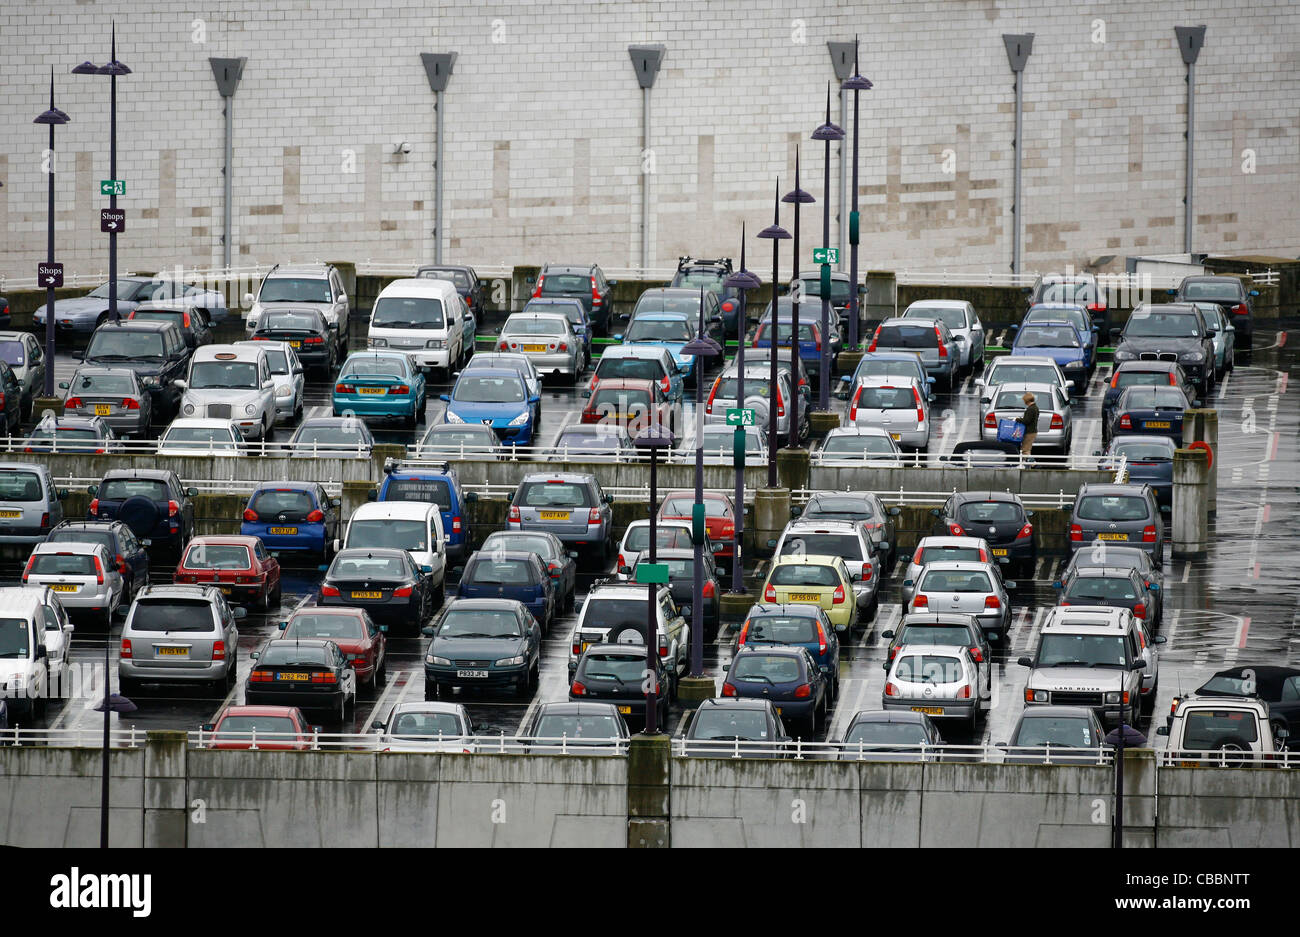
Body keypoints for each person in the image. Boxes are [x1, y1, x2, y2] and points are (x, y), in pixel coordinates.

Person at [1017, 392, 1039, 460]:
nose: (1024, 402)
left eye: (1024, 400)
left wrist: (1017, 419)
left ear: (1027, 400)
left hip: (1029, 432)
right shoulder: (1035, 407)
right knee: (1027, 449)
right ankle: (1029, 464)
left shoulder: (1031, 409)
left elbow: (1027, 421)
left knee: (1025, 450)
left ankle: (1032, 464)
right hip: (1033, 431)